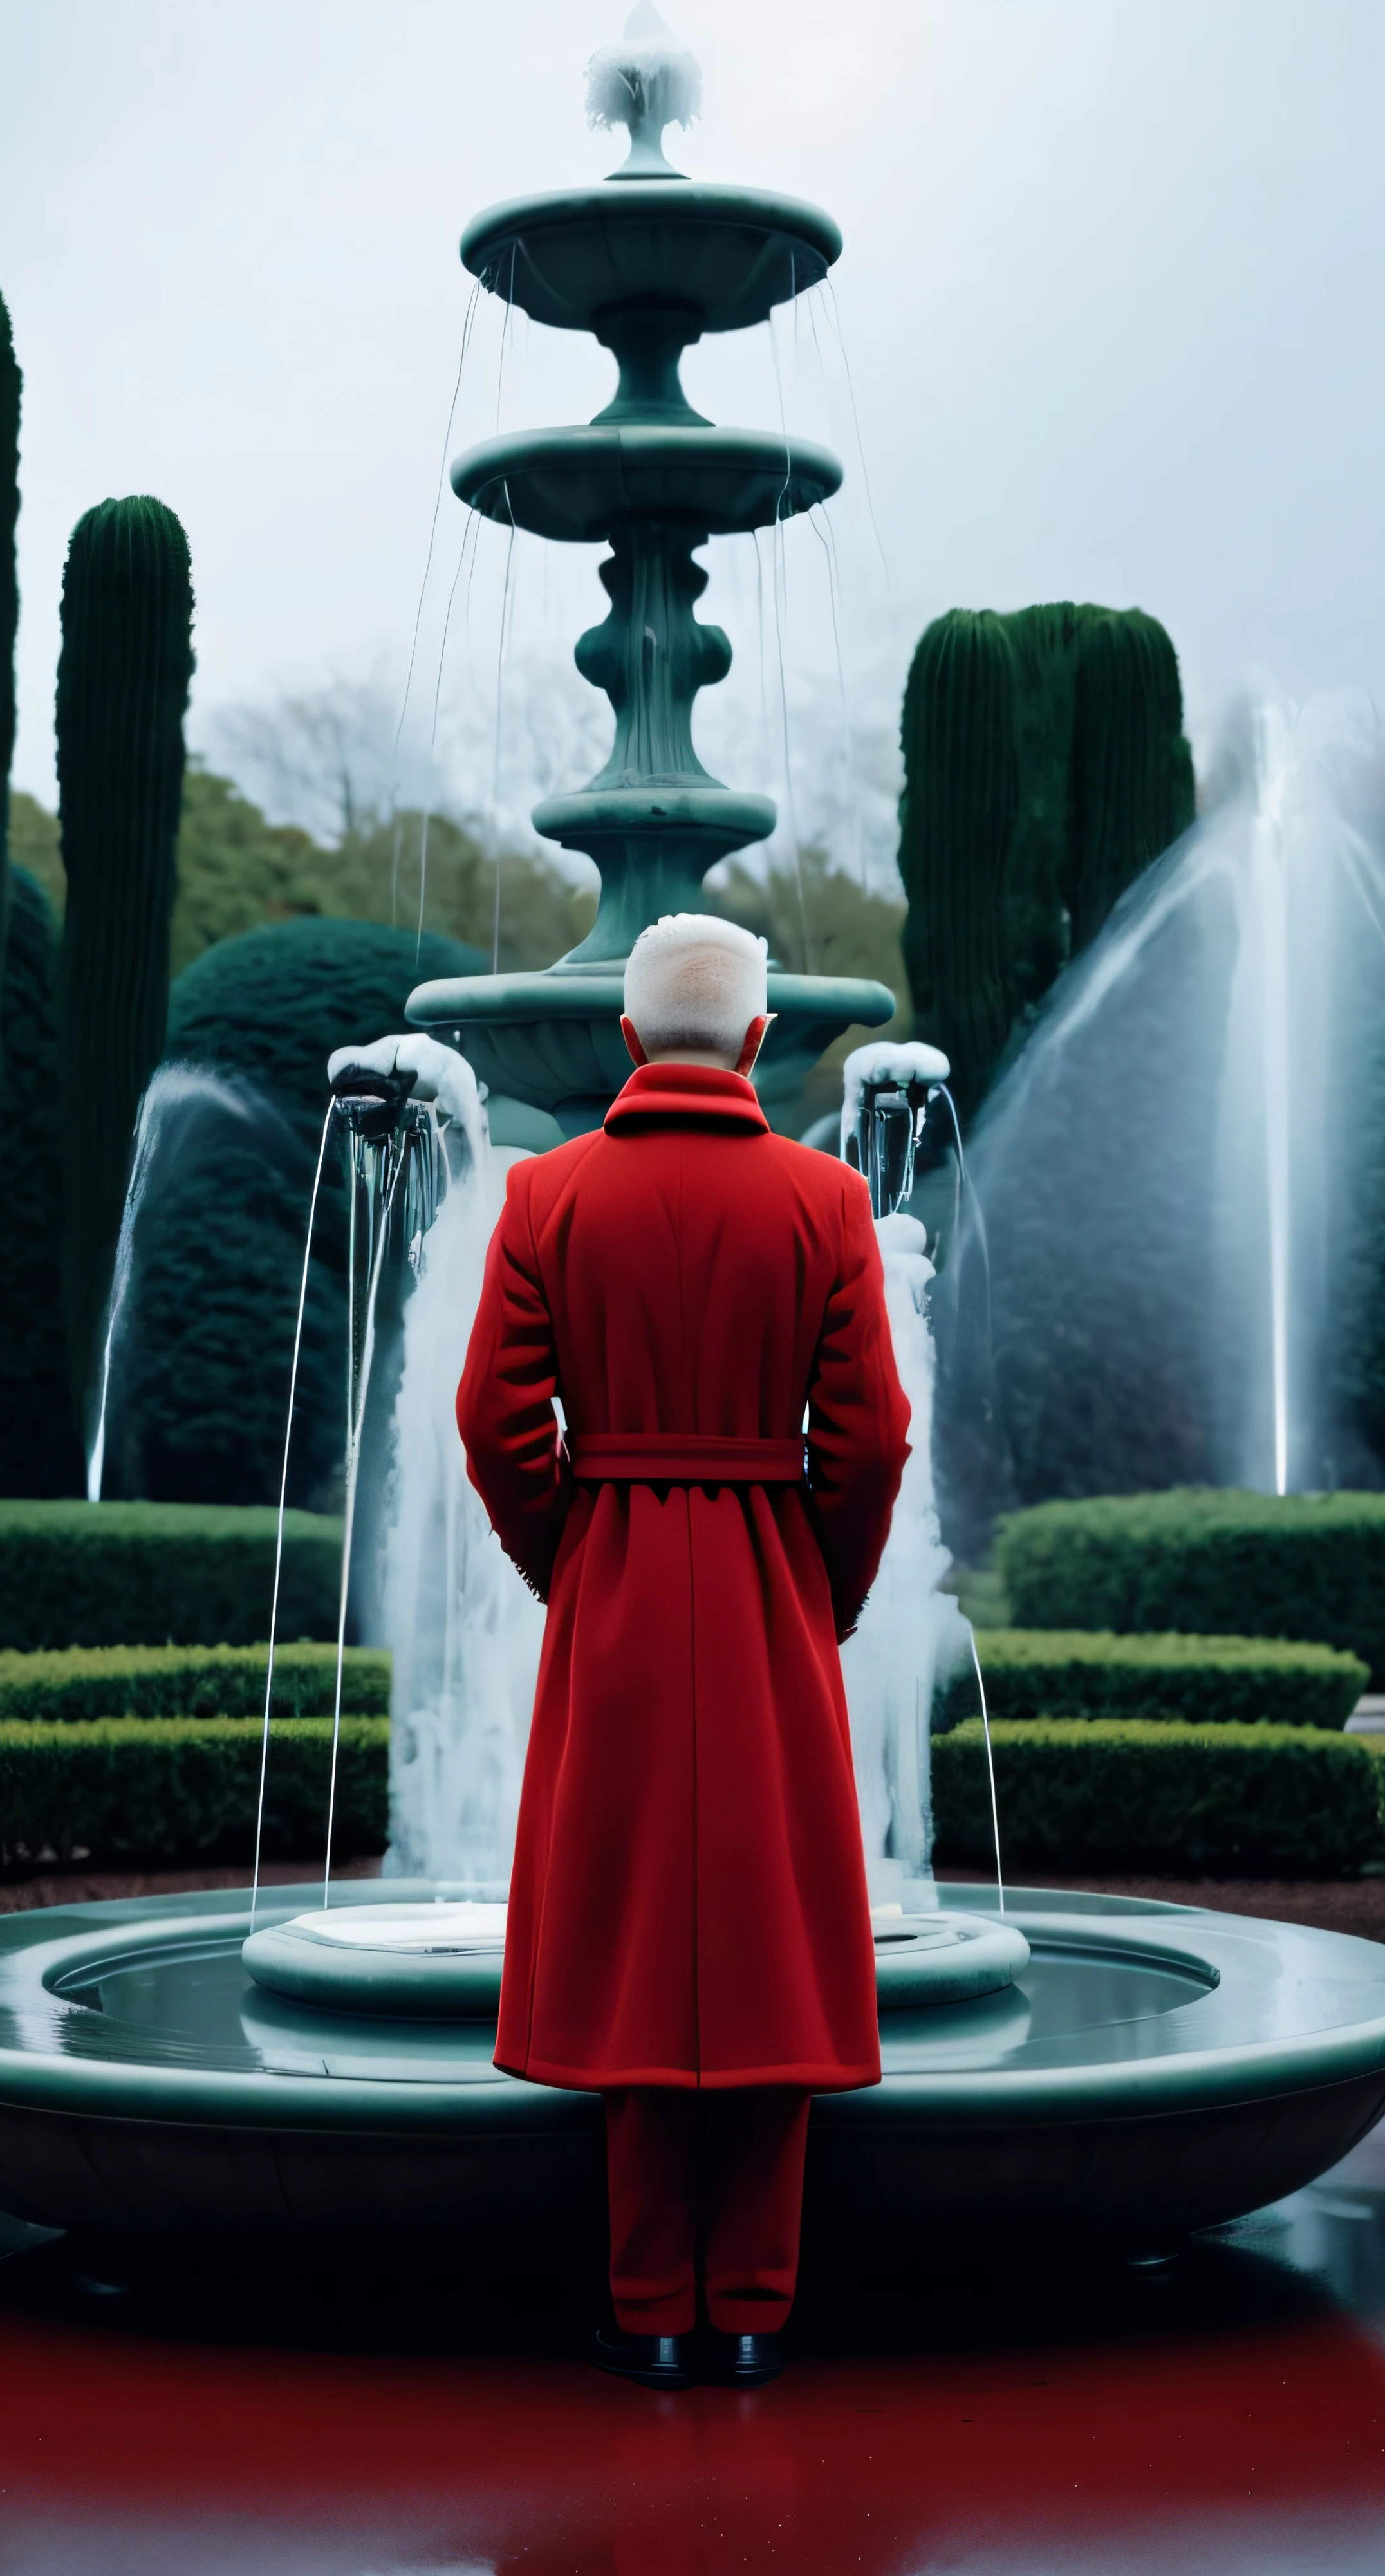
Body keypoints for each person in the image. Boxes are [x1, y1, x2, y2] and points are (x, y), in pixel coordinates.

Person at [456, 910, 911, 2388]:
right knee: (767, 1934)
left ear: (631, 1036)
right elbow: (872, 1437)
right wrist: (820, 1587)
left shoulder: (545, 1194)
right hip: (771, 1571)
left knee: (639, 1931)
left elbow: (491, 1422)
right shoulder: (828, 1200)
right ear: (764, 1040)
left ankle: (650, 2300)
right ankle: (758, 2306)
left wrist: (566, 1551)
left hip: (621, 1588)